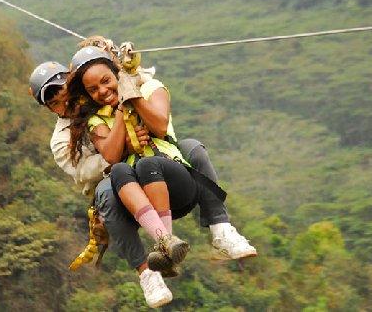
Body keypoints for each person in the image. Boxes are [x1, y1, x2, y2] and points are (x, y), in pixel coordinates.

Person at [29, 60, 228, 308]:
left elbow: (137, 79)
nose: (65, 102)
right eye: (55, 102)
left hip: (152, 169)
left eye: (66, 93)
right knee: (106, 190)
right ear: (50, 109)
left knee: (190, 148)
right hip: (117, 190)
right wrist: (124, 146)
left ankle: (221, 229)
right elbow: (85, 171)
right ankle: (147, 273)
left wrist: (123, 66)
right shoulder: (61, 139)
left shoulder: (100, 98)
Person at [66, 46, 257, 281]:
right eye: (93, 90)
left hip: (174, 182)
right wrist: (120, 113)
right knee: (118, 170)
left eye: (106, 81)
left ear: (117, 73)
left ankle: (220, 232)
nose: (103, 91)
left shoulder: (151, 89)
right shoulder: (96, 119)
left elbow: (159, 126)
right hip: (139, 198)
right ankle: (164, 248)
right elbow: (112, 155)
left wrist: (132, 97)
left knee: (150, 163)